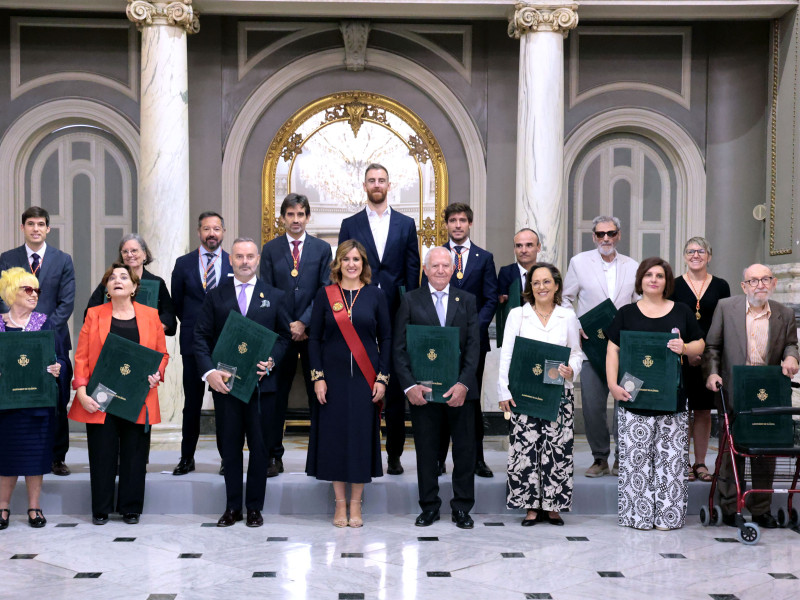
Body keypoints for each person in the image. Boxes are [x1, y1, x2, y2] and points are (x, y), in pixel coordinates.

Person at [193, 238, 290, 528]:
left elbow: (284, 337)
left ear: (257, 259)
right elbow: (200, 337)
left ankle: (254, 508)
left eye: (250, 256)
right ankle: (232, 507)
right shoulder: (215, 295)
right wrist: (209, 372)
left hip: (263, 388)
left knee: (260, 449)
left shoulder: (275, 295)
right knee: (230, 447)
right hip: (226, 387)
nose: (245, 261)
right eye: (239, 256)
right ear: (231, 260)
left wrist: (271, 362)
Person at [605, 257, 705, 530]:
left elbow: (700, 344)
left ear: (666, 281)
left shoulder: (681, 311)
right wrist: (613, 384)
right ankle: (637, 516)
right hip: (633, 399)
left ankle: (668, 517)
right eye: (648, 275)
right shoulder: (626, 313)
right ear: (640, 280)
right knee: (635, 462)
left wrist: (684, 348)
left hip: (672, 400)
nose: (653, 279)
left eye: (659, 275)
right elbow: (612, 349)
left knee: (671, 461)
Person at [68, 262, 169, 525]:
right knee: (102, 452)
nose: (117, 280)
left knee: (135, 453)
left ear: (135, 287)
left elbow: (162, 355)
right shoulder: (94, 314)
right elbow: (81, 357)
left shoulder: (150, 315)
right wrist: (80, 391)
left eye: (124, 277)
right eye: (112, 278)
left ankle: (130, 507)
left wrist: (157, 373)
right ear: (107, 288)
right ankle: (100, 508)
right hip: (100, 396)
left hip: (138, 395)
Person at [339, 163, 420, 475]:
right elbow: (344, 265)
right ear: (365, 185)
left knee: (396, 385)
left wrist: (412, 308)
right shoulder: (351, 223)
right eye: (371, 180)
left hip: (399, 312)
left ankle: (395, 455)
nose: (376, 184)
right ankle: (362, 451)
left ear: (389, 184)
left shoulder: (405, 223)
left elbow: (413, 269)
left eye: (381, 180)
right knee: (361, 386)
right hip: (360, 311)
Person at [704, 263, 799, 529]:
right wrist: (712, 374)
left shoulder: (785, 313)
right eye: (753, 281)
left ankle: (760, 509)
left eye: (765, 279)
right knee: (730, 450)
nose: (760, 285)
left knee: (764, 452)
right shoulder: (726, 308)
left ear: (774, 283)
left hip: (767, 389)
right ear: (744, 286)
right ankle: (731, 507)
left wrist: (792, 357)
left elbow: (791, 343)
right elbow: (712, 347)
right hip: (734, 387)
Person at [393, 247, 480, 529]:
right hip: (424, 393)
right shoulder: (409, 300)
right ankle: (429, 506)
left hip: (460, 393)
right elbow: (399, 349)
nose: (441, 270)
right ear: (426, 270)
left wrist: (464, 384)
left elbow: (473, 349)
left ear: (453, 268)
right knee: (427, 452)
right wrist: (409, 387)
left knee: (464, 452)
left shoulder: (466, 300)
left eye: (446, 265)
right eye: (435, 266)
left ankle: (462, 508)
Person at [306, 240, 390, 527]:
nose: (351, 264)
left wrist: (382, 377)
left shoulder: (375, 296)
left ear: (364, 264)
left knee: (359, 442)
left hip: (366, 382)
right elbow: (314, 338)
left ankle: (357, 506)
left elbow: (387, 339)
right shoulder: (325, 294)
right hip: (332, 381)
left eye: (357, 259)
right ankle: (339, 506)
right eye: (346, 259)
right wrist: (318, 377)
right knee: (335, 442)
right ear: (338, 264)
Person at [497, 263, 584, 526]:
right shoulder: (517, 315)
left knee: (558, 450)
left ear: (556, 285)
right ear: (529, 288)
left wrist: (572, 369)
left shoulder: (568, 316)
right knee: (525, 449)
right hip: (524, 393)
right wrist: (504, 390)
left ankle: (554, 506)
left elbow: (577, 352)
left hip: (559, 394)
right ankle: (531, 507)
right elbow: (507, 355)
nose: (541, 287)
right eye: (536, 283)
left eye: (547, 282)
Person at [423, 203, 497, 478]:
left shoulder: (484, 258)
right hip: (440, 342)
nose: (457, 225)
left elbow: (490, 298)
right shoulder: (436, 257)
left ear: (470, 223)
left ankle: (477, 458)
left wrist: (473, 327)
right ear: (446, 224)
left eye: (462, 220)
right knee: (439, 399)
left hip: (473, 342)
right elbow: (424, 296)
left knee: (470, 401)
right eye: (452, 220)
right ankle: (438, 458)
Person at [0, 206, 75, 477]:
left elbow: (66, 303)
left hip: (53, 340)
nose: (35, 228)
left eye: (40, 224)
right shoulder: (8, 258)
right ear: (23, 228)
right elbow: (1, 298)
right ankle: (14, 453)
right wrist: (18, 327)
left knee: (57, 397)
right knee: (17, 396)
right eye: (30, 223)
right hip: (13, 341)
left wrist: (40, 330)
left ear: (48, 228)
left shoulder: (62, 259)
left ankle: (57, 457)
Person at [261, 193, 332, 478]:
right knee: (276, 397)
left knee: (320, 395)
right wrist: (290, 324)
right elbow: (266, 291)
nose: (295, 220)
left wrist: (304, 322)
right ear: (282, 217)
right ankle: (272, 456)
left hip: (314, 334)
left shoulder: (322, 249)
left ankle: (321, 456)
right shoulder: (270, 249)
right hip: (280, 335)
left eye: (301, 214)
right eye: (290, 214)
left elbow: (325, 290)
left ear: (308, 217)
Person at [562, 215, 639, 477]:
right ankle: (599, 458)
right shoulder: (579, 262)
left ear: (618, 235)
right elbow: (565, 299)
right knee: (593, 406)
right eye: (600, 234)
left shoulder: (633, 266)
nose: (605, 238)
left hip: (625, 348)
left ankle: (622, 457)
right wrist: (576, 325)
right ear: (593, 237)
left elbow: (640, 302)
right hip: (591, 348)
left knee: (626, 402)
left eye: (610, 233)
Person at [0, 268, 66, 529]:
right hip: (6, 406)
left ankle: (34, 507)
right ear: (10, 292)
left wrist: (58, 367)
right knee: (6, 457)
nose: (34, 294)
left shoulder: (45, 322)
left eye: (37, 290)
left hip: (38, 405)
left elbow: (60, 356)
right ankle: (3, 507)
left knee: (35, 457)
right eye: (27, 289)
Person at [170, 212, 233, 476]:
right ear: (199, 232)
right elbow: (177, 303)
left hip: (225, 344)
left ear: (223, 231)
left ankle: (227, 459)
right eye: (207, 228)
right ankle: (187, 458)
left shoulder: (234, 263)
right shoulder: (183, 264)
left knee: (225, 405)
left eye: (216, 228)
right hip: (193, 343)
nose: (212, 233)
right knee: (192, 403)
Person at [669, 237, 730, 482]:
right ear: (684, 256)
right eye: (691, 251)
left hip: (711, 356)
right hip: (680, 355)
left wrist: (703, 353)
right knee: (682, 412)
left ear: (709, 256)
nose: (696, 255)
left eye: (701, 251)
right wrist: (687, 350)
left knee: (703, 411)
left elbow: (723, 320)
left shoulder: (721, 285)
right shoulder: (673, 285)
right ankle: (682, 462)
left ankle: (701, 463)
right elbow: (670, 319)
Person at [85, 233, 176, 336]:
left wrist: (152, 331)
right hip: (113, 339)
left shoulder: (157, 282)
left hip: (147, 342)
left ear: (145, 254)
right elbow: (90, 312)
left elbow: (169, 316)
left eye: (134, 250)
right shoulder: (110, 282)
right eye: (125, 251)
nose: (129, 255)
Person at [497, 228, 541, 309]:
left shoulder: (546, 273)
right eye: (519, 246)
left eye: (529, 245)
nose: (523, 250)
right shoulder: (506, 273)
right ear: (514, 249)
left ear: (538, 247)